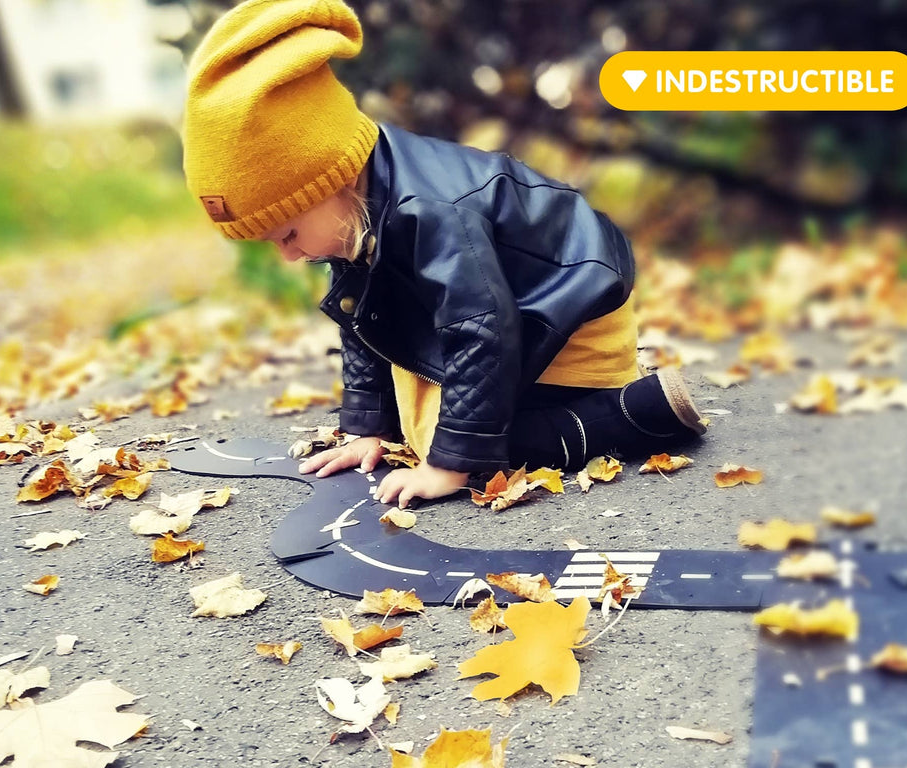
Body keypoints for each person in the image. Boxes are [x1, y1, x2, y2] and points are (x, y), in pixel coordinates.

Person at [182, 0, 705, 508]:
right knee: (420, 422)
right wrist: (368, 429)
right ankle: (488, 424)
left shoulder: (432, 210)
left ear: (333, 178)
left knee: (449, 437)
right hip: (514, 300)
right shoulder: (356, 205)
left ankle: (633, 412)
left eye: (288, 234)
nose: (290, 256)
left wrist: (450, 466)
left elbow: (481, 327)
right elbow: (367, 320)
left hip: (574, 311)